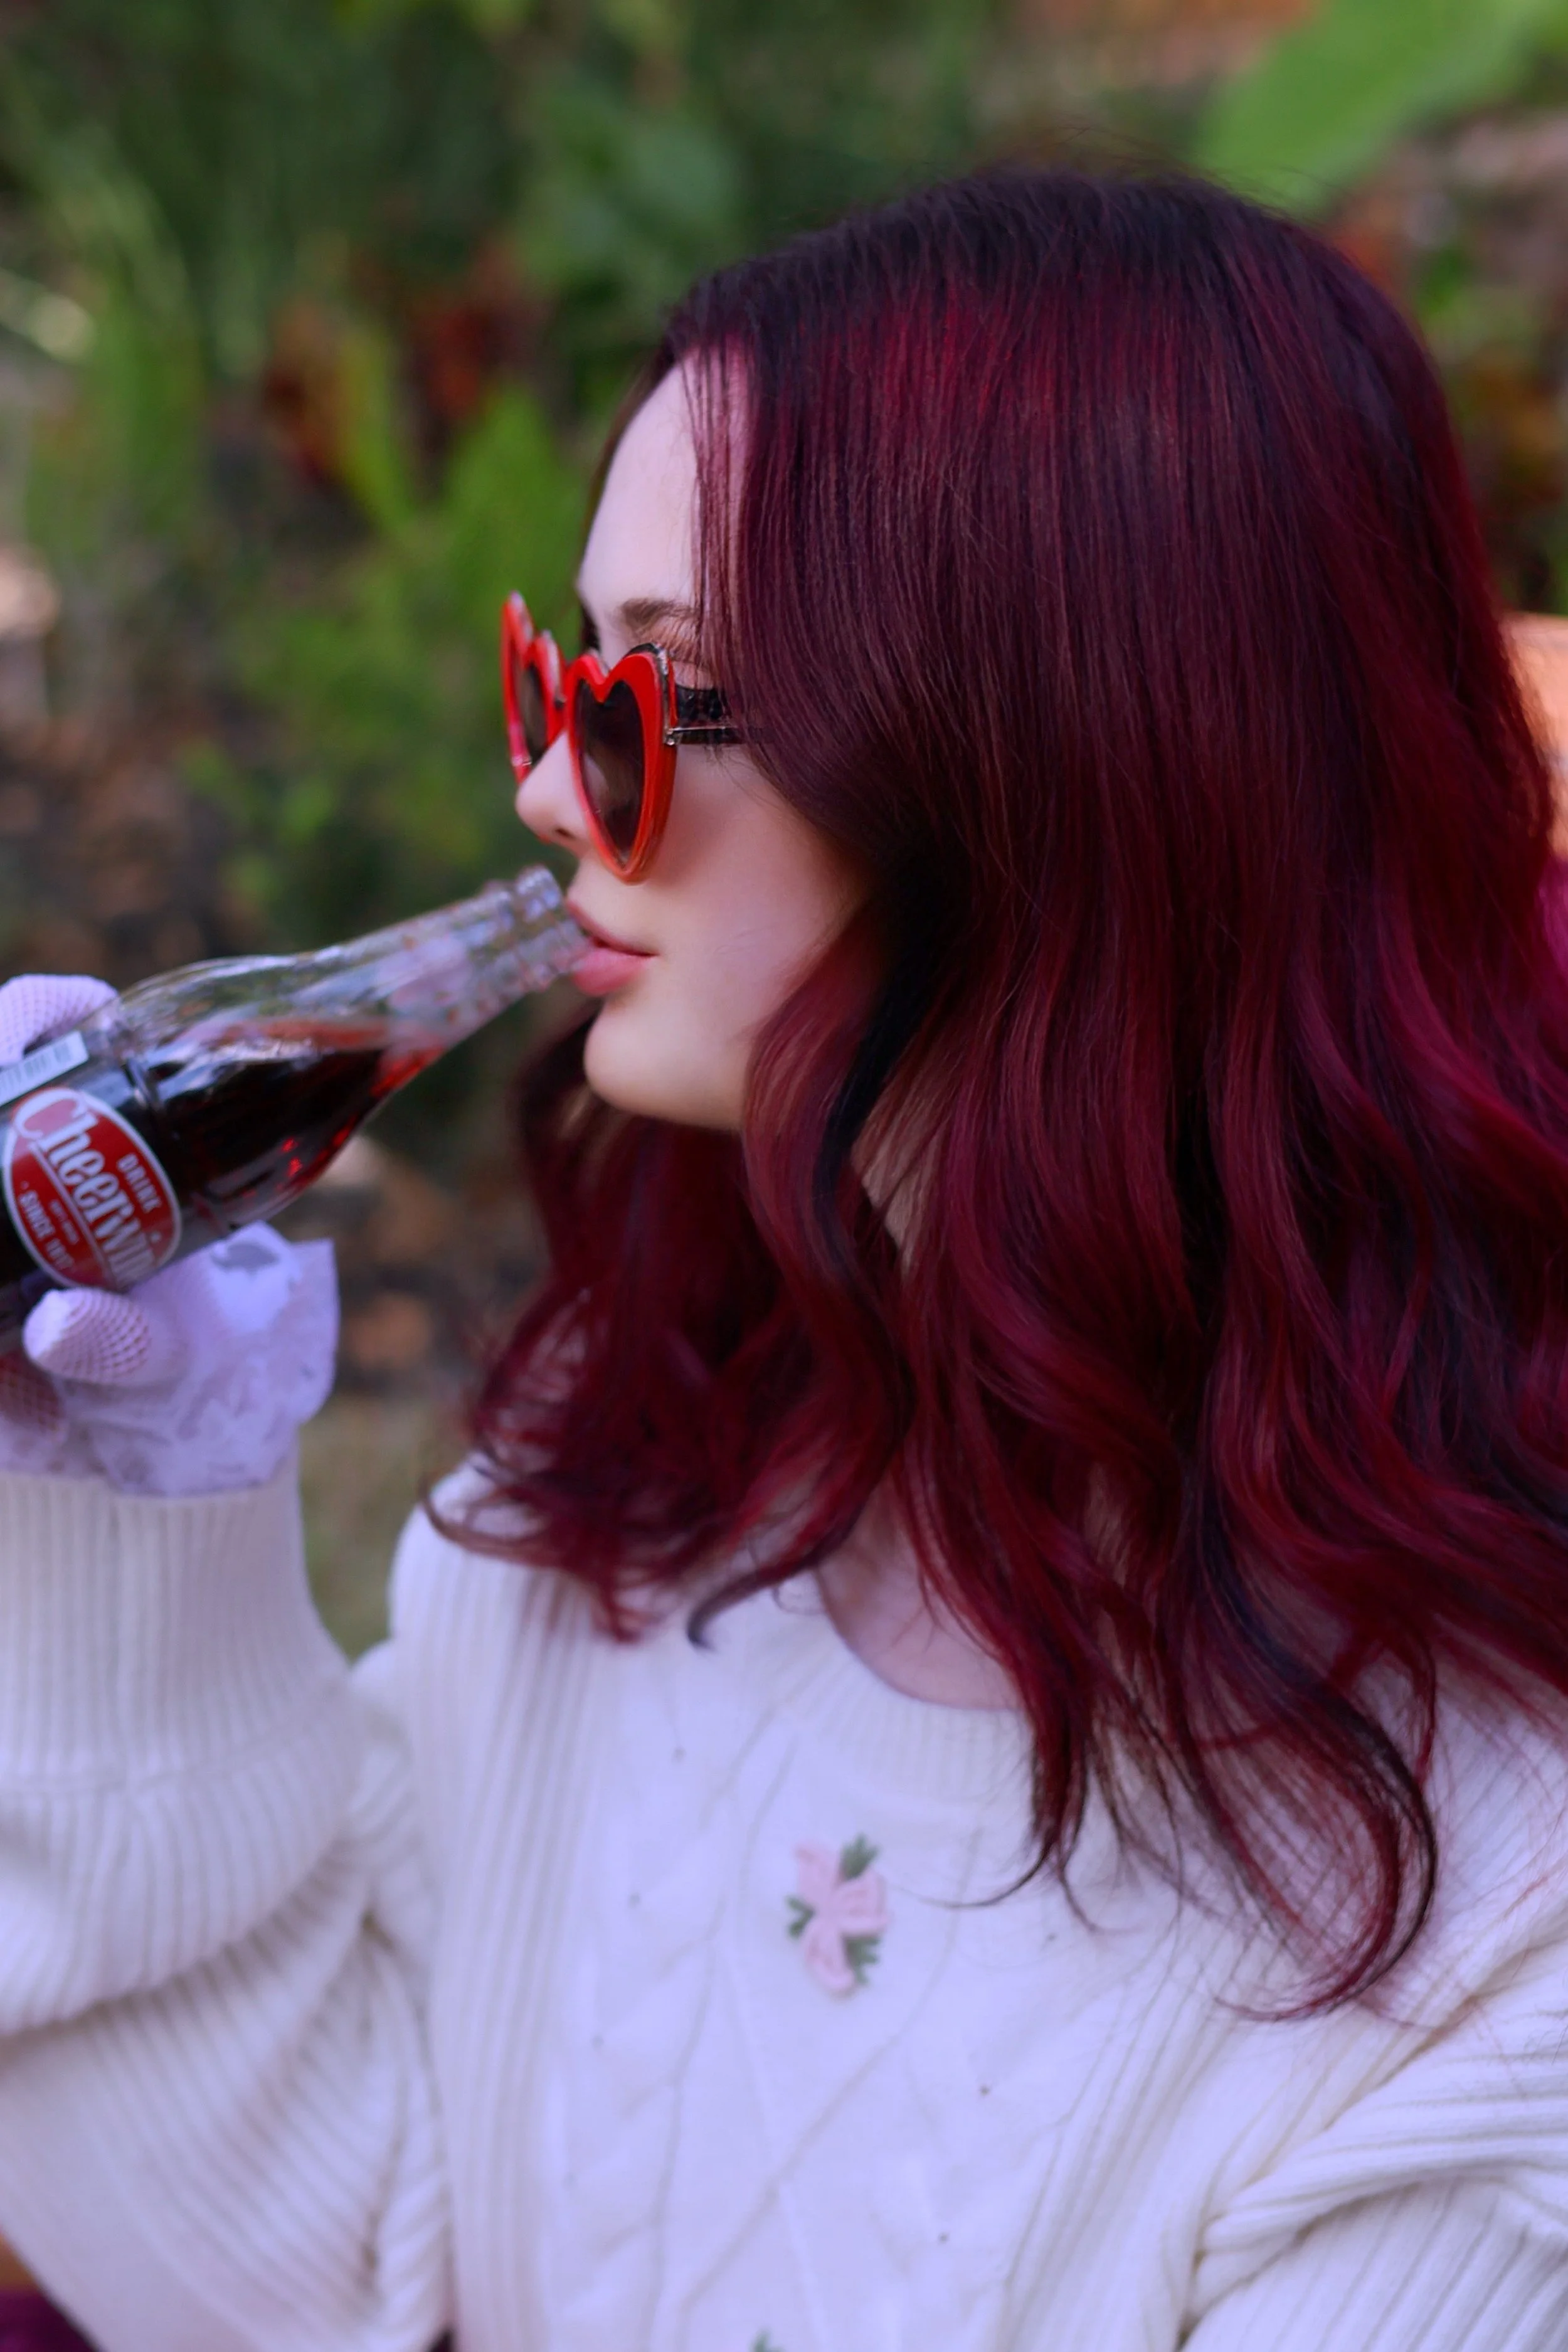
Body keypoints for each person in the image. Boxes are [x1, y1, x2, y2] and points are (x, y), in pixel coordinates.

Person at [1, 164, 1567, 2352]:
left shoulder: (1493, 1924)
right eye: (559, 677)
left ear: (1050, 762)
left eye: (656, 700)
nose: (549, 794)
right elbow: (298, 2273)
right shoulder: (668, 1449)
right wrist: (119, 1527)